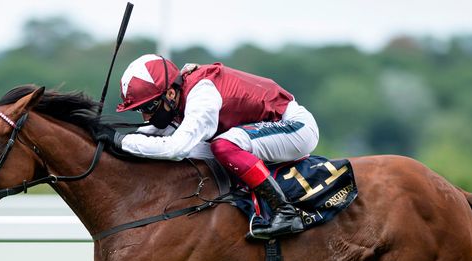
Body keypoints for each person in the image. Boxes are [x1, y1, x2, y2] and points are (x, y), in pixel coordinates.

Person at [95, 54, 319, 239]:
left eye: (149, 107)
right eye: (139, 110)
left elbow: (175, 148)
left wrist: (120, 141)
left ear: (171, 93)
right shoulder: (178, 95)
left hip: (295, 126)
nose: (145, 115)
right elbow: (152, 135)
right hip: (264, 129)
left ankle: (285, 212)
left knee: (223, 146)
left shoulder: (202, 96)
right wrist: (114, 139)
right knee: (201, 151)